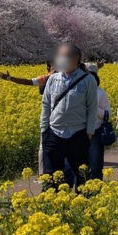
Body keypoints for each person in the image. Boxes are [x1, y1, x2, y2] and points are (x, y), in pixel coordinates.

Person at [40, 43, 97, 190]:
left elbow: (92, 106)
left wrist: (89, 131)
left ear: (76, 58)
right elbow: (46, 104)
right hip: (54, 132)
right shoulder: (52, 79)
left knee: (81, 173)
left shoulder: (87, 80)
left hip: (78, 132)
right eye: (59, 56)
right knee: (51, 174)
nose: (60, 59)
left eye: (64, 56)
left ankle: (83, 200)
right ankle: (54, 200)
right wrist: (44, 129)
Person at [0, 61, 54, 175]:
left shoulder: (65, 76)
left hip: (58, 118)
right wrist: (10, 78)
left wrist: (10, 78)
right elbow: (28, 81)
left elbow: (28, 81)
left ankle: (48, 173)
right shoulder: (45, 78)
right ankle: (44, 174)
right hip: (50, 117)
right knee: (44, 146)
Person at [85, 63, 110, 180]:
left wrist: (94, 109)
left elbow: (107, 114)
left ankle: (96, 183)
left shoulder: (100, 93)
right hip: (79, 131)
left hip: (96, 131)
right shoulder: (78, 91)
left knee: (95, 162)